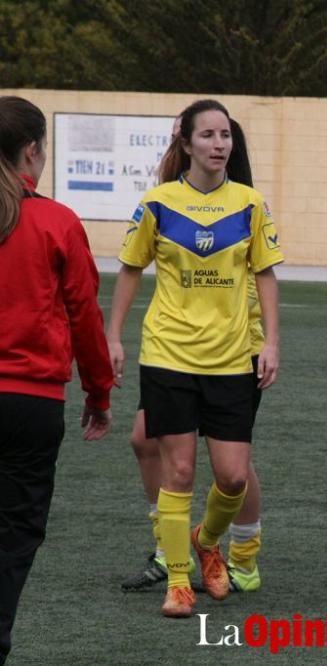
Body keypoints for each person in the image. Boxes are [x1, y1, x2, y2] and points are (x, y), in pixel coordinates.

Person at [107, 99, 284, 618]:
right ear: (185, 143)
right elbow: (130, 268)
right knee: (179, 469)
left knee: (232, 476)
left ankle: (208, 542)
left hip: (231, 359)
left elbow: (267, 274)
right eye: (207, 135)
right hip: (168, 353)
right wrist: (112, 336)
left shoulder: (250, 203)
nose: (218, 144)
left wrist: (271, 343)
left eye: (224, 135)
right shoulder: (159, 202)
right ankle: (179, 582)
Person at [0, 96, 114, 665]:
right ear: (32, 151)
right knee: (14, 536)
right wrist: (99, 394)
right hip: (30, 403)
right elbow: (85, 316)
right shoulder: (56, 221)